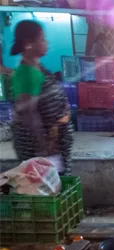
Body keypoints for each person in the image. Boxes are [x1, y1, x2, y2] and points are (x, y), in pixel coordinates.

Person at [10, 20, 73, 175]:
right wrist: (43, 145)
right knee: (46, 188)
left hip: (53, 144)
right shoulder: (26, 73)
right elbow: (28, 112)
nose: (46, 43)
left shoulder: (38, 69)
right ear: (28, 43)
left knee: (57, 187)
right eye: (42, 39)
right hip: (39, 148)